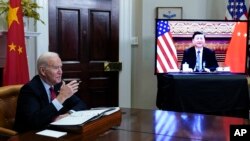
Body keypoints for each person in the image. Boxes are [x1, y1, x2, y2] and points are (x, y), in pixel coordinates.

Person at [14, 52, 88, 133]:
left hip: (55, 131)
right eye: (56, 68)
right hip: (31, 135)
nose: (60, 72)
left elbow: (81, 104)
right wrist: (60, 98)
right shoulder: (30, 89)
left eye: (61, 67)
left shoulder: (58, 84)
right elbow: (33, 122)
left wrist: (68, 113)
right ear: (43, 71)